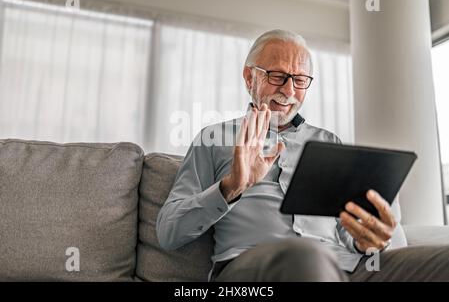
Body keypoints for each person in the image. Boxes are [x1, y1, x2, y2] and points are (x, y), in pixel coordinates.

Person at [156, 29, 449, 281]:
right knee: (306, 256)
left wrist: (366, 242)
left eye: (299, 80)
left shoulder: (329, 142)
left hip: (344, 266)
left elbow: (349, 233)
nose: (289, 91)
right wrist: (232, 186)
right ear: (249, 77)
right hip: (253, 265)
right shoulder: (213, 139)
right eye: (277, 76)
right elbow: (169, 232)